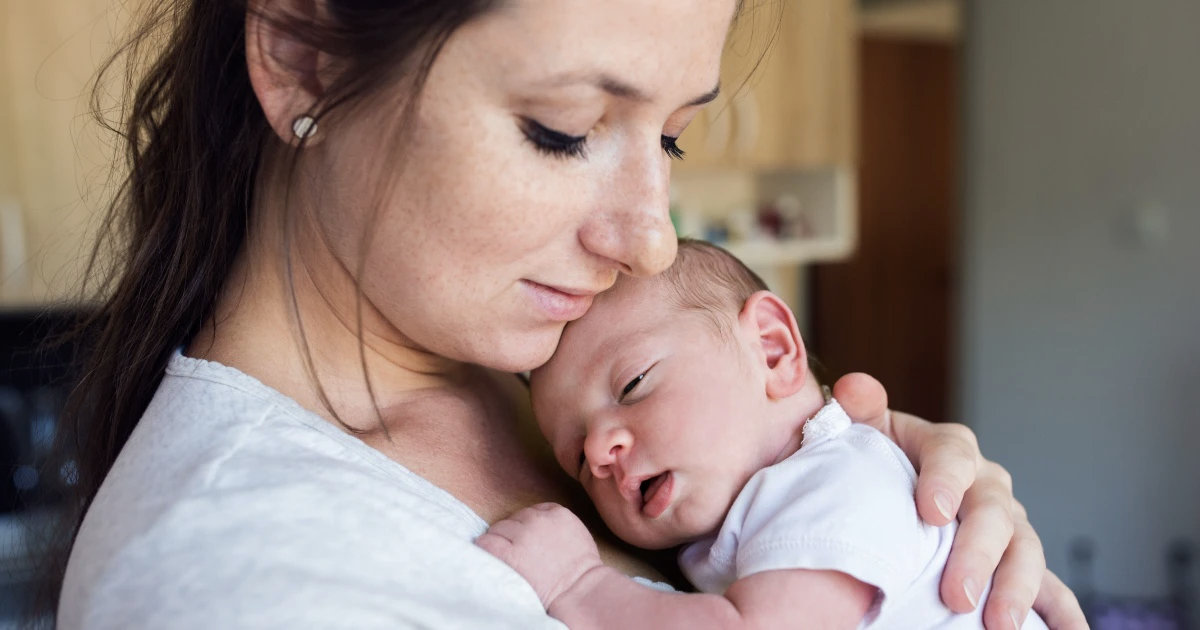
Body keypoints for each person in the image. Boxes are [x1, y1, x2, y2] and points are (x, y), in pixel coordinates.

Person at [43, 1, 1085, 628]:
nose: (650, 238)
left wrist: (920, 509)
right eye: (562, 130)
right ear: (306, 56)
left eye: (671, 139)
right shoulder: (239, 580)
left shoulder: (542, 363)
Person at [478, 240, 1052, 629]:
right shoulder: (755, 509)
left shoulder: (833, 486)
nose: (601, 453)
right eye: (577, 458)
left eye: (632, 385)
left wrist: (579, 586)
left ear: (773, 350)